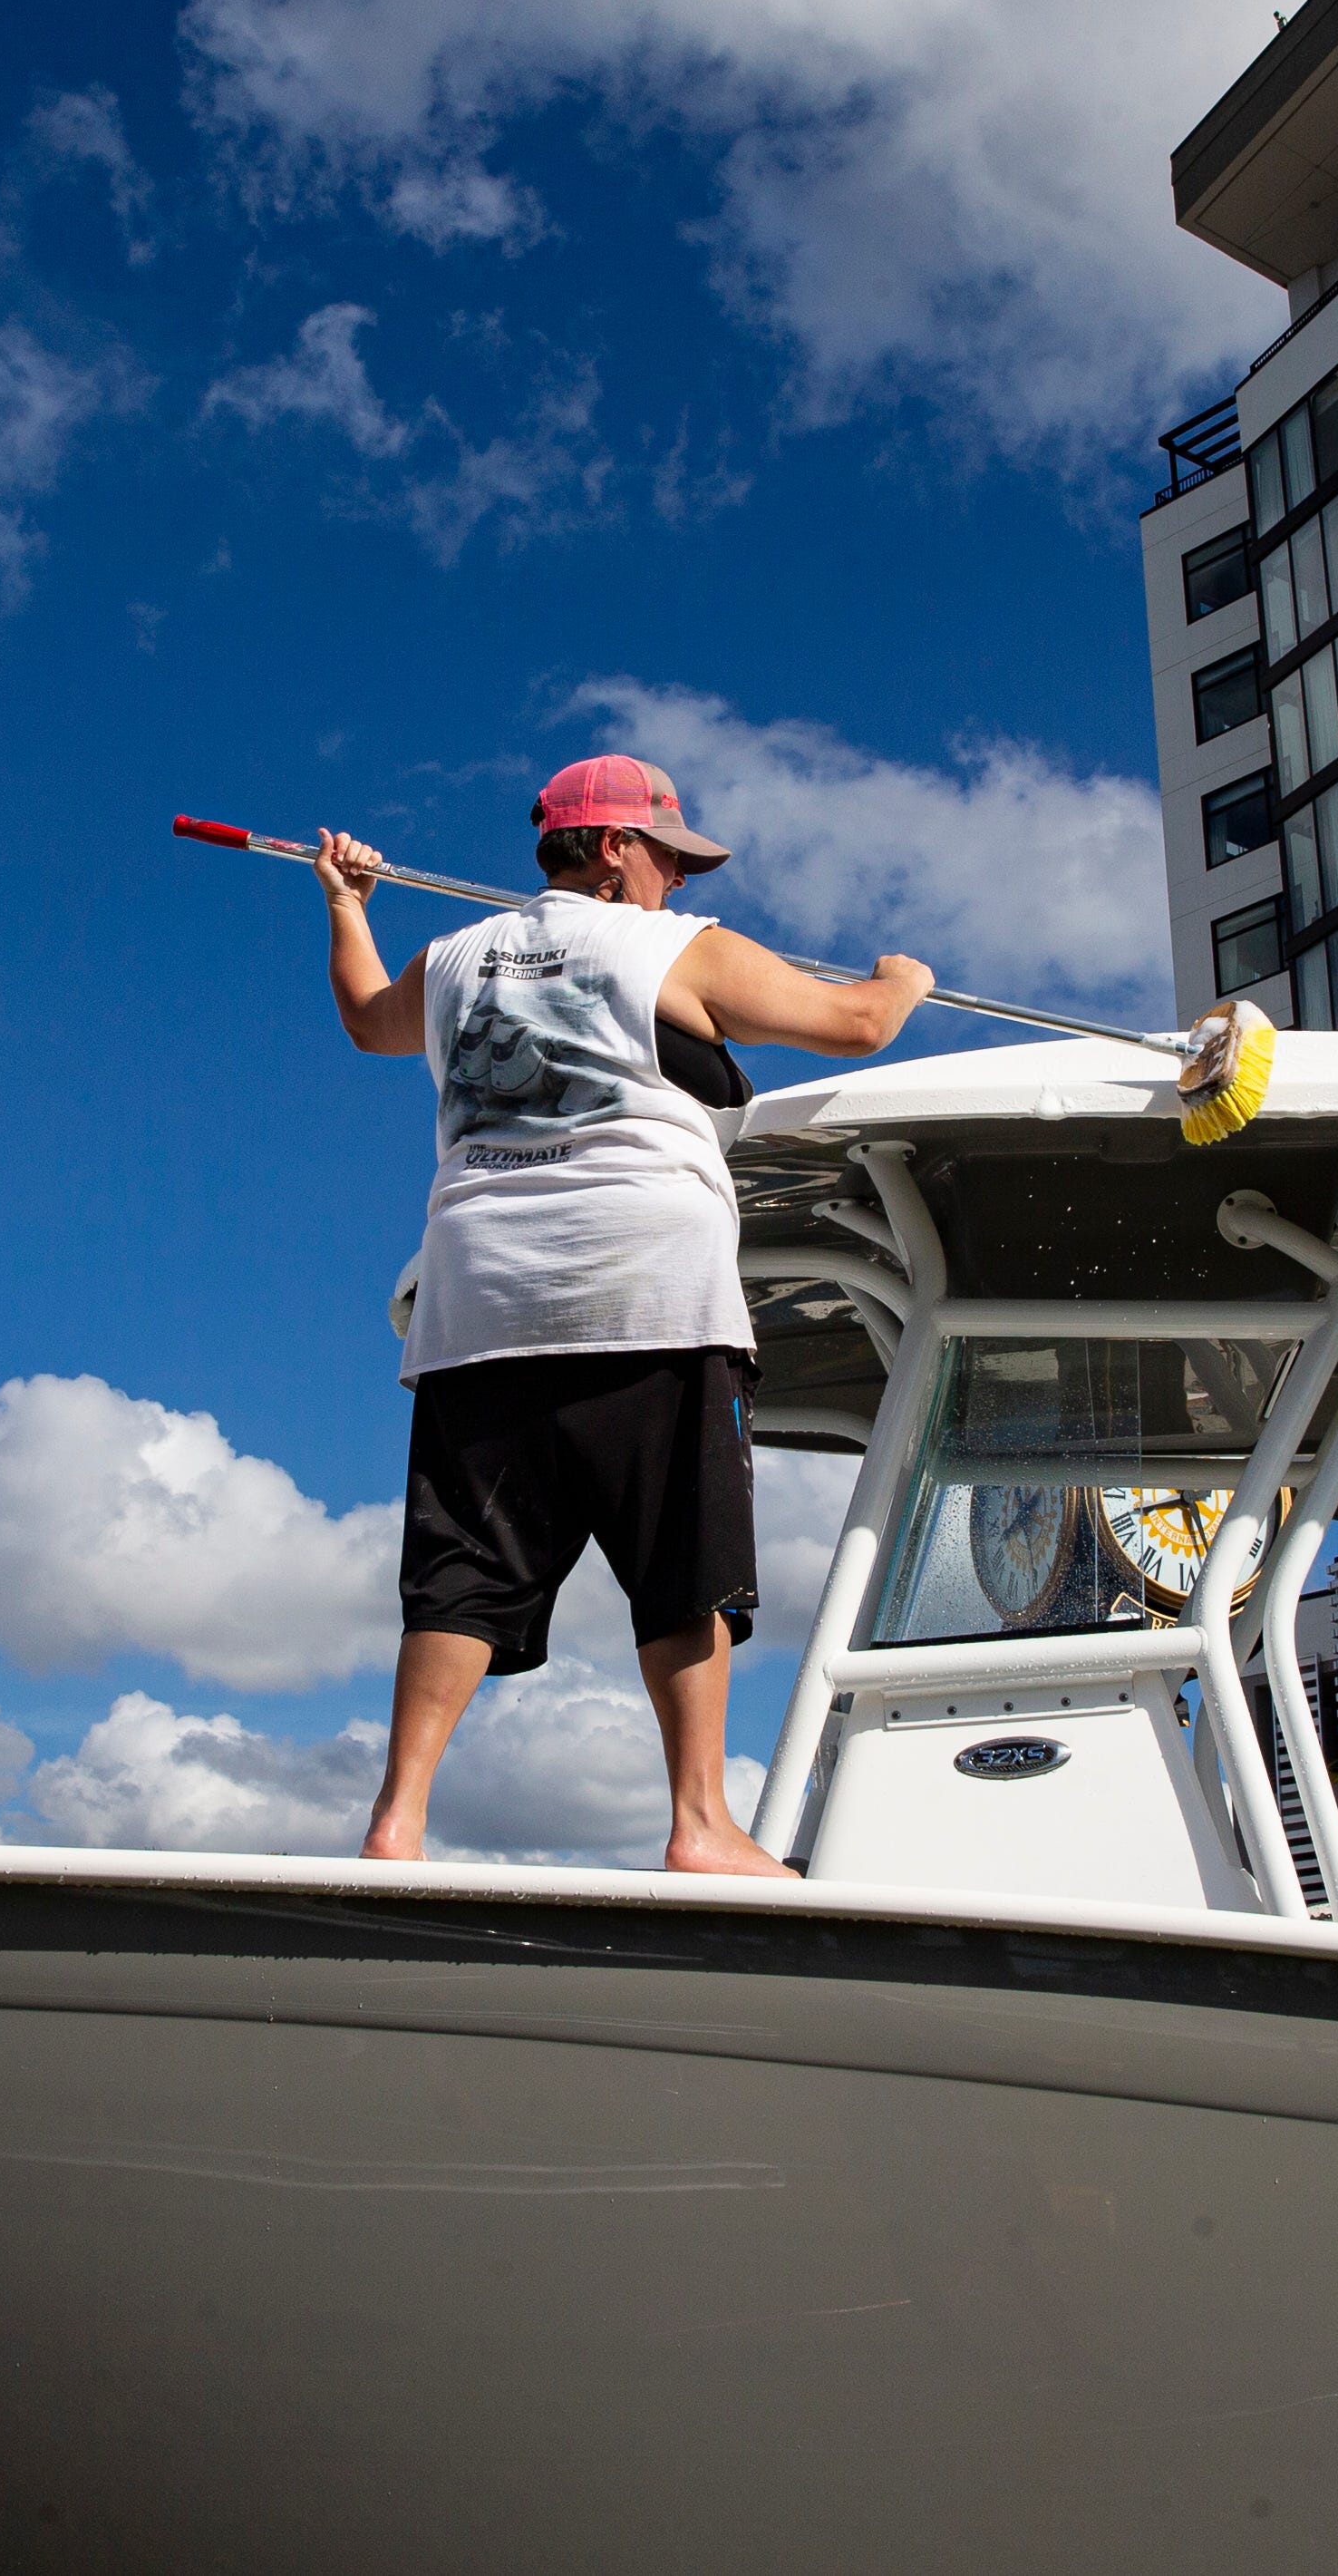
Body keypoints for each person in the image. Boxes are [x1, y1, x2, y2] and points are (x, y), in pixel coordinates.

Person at [315, 753, 935, 1875]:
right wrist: (904, 978)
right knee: (681, 1563)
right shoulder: (667, 949)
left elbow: (367, 1020)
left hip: (480, 1305)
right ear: (612, 848)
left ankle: (397, 1822)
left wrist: (347, 905)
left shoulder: (450, 958)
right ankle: (701, 1826)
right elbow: (852, 1027)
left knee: (464, 1570)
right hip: (646, 1287)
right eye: (669, 856)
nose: (680, 883)